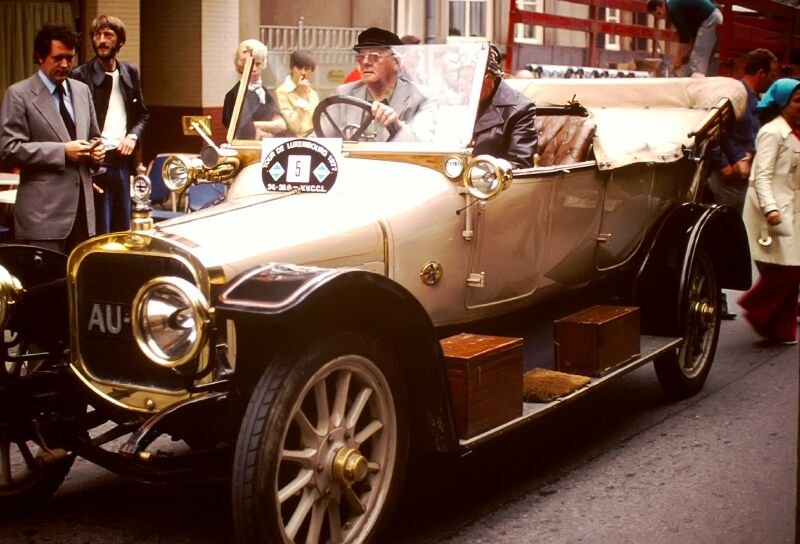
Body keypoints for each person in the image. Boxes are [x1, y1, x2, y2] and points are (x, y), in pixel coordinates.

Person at [0, 23, 105, 254]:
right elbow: (9, 148)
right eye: (57, 58)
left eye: (70, 58)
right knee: (47, 277)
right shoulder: (19, 95)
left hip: (83, 214)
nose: (65, 65)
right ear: (40, 57)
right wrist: (62, 151)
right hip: (43, 217)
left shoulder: (81, 91)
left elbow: (94, 136)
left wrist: (97, 154)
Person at [72, 14, 149, 234]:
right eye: (97, 35)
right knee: (99, 230)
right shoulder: (80, 75)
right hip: (96, 163)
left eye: (108, 35)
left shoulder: (129, 73)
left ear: (120, 41)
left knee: (122, 229)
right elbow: (73, 125)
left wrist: (132, 136)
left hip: (122, 162)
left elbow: (143, 115)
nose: (102, 40)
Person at [738, 78, 800, 344]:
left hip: (792, 208)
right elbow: (761, 176)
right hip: (773, 209)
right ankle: (755, 306)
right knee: (789, 269)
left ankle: (781, 330)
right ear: (782, 103)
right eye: (797, 100)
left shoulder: (793, 132)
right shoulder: (772, 132)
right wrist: (771, 209)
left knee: (788, 269)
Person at [331, 27, 435, 142]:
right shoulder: (344, 94)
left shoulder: (421, 98)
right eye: (360, 57)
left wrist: (398, 127)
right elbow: (319, 138)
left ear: (396, 63)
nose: (365, 62)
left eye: (374, 57)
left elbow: (426, 144)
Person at [709, 49, 778, 213]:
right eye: (772, 76)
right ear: (761, 73)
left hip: (744, 179)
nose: (773, 81)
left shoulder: (757, 100)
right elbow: (712, 132)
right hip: (728, 183)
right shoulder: (734, 96)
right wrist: (725, 166)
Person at [470, 45, 538, 169]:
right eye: (463, 79)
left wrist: (484, 172)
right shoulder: (455, 102)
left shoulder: (520, 109)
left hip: (490, 178)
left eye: (473, 79)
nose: (468, 86)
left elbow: (521, 163)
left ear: (492, 76)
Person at [222, 39, 286, 140]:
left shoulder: (263, 91)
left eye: (258, 64)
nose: (254, 69)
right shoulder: (234, 95)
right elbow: (244, 132)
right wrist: (267, 128)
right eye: (250, 64)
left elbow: (281, 125)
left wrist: (256, 125)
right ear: (241, 66)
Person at [647, 0, 723, 77]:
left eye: (656, 15)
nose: (659, 19)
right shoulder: (674, 6)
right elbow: (690, 35)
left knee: (698, 59)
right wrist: (685, 55)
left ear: (659, 9)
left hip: (710, 18)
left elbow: (684, 38)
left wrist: (678, 59)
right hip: (712, 16)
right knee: (703, 57)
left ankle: (697, 78)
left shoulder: (673, 10)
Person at [275, 50, 319, 137]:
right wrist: (302, 97)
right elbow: (294, 127)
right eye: (299, 68)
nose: (303, 73)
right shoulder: (281, 92)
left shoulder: (313, 94)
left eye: (307, 69)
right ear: (291, 68)